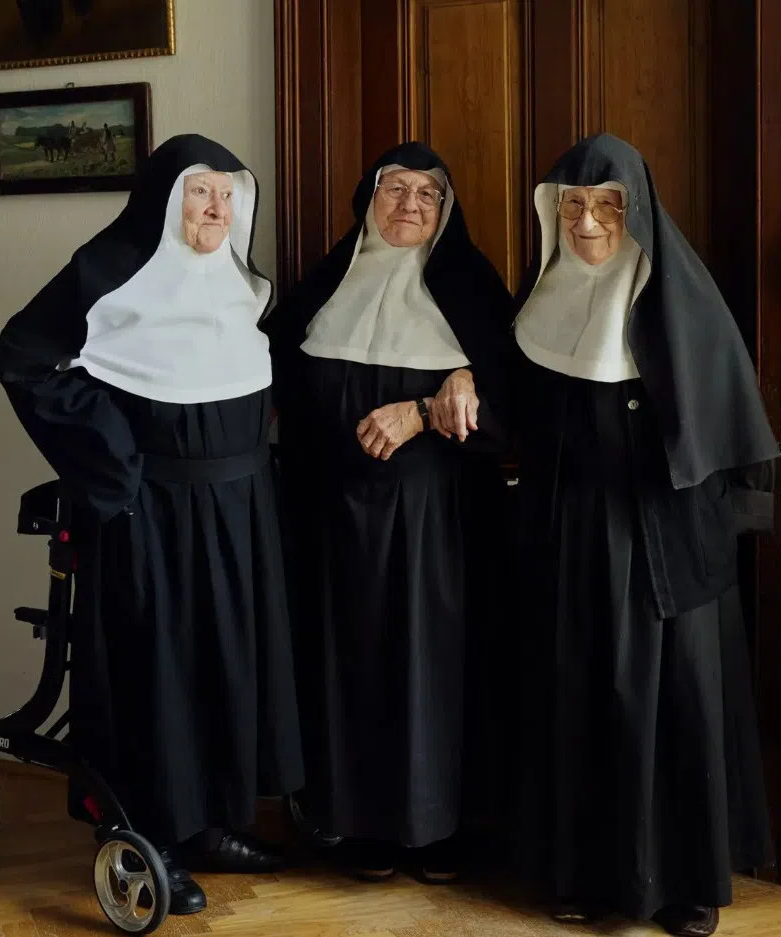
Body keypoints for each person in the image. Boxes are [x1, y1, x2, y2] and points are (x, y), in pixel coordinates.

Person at [0, 134, 304, 916]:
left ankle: (209, 825)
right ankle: (146, 835)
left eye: (226, 194)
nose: (216, 209)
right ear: (163, 201)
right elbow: (22, 360)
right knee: (155, 674)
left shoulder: (242, 284)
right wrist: (114, 465)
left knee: (226, 663)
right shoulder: (106, 273)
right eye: (199, 192)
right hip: (150, 515)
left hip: (239, 509)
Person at [509, 134, 779, 937]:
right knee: (580, 697)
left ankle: (688, 884)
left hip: (667, 537)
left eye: (607, 205)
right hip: (572, 532)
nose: (588, 222)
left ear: (638, 213)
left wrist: (731, 531)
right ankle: (584, 874)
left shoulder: (683, 301)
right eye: (572, 205)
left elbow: (732, 428)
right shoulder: (542, 295)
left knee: (674, 704)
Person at [263, 142, 513, 883]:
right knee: (347, 667)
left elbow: (522, 405)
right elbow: (272, 382)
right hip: (330, 517)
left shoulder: (472, 287)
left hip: (438, 523)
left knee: (434, 669)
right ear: (367, 200)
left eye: (427, 193)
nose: (410, 204)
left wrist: (445, 395)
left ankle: (440, 830)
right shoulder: (324, 283)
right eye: (394, 189)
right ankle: (356, 822)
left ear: (446, 209)